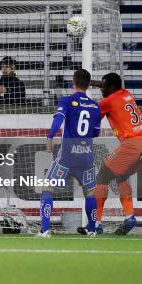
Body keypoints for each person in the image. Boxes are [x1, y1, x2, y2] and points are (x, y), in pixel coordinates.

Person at [38, 69, 100, 238]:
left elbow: (58, 119)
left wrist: (50, 136)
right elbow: (95, 133)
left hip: (68, 156)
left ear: (73, 82)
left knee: (48, 187)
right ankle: (92, 230)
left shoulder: (66, 100)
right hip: (86, 156)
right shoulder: (95, 106)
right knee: (90, 192)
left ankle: (45, 230)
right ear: (88, 85)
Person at [94, 73, 141, 235]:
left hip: (133, 144)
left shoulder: (107, 102)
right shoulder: (126, 94)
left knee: (102, 176)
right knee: (121, 177)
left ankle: (96, 224)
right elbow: (109, 88)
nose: (102, 89)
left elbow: (93, 119)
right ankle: (129, 217)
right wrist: (95, 83)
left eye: (104, 86)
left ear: (112, 87)